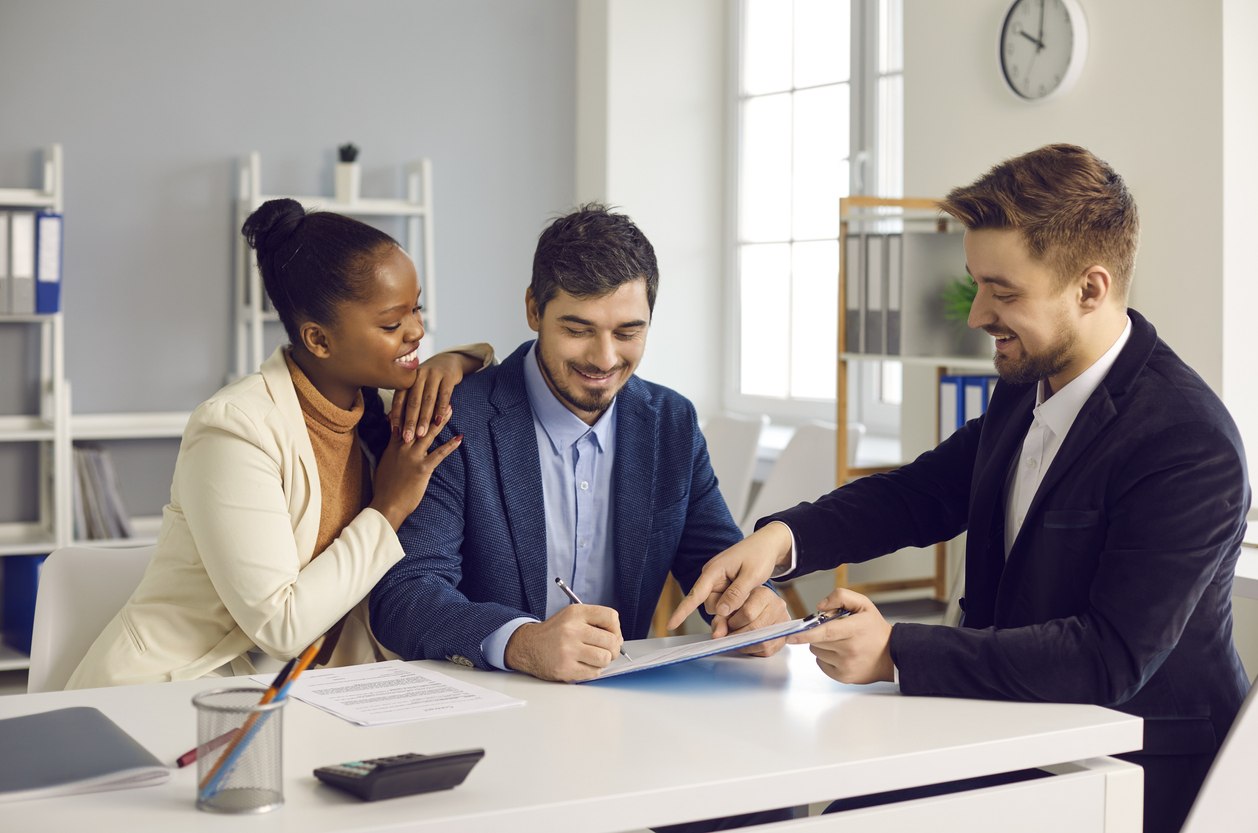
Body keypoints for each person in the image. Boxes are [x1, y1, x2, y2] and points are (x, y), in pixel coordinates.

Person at [670, 145, 1251, 833]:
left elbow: (1107, 656)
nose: (976, 315)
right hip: (1007, 728)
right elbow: (920, 494)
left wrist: (893, 650)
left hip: (1132, 771)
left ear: (1090, 289)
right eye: (977, 283)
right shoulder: (1027, 387)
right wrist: (781, 540)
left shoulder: (1188, 442)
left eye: (1003, 291)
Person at [68, 198, 491, 688]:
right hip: (178, 688)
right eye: (392, 324)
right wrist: (389, 507)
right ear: (319, 340)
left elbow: (494, 373)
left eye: (417, 308)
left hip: (316, 688)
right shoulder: (234, 430)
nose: (417, 330)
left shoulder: (375, 408)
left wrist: (456, 360)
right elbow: (280, 626)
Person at [370, 203, 792, 684]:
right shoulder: (452, 417)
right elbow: (405, 595)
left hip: (624, 706)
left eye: (628, 332)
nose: (604, 359)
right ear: (533, 309)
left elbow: (716, 563)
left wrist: (754, 608)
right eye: (577, 330)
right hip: (483, 706)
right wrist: (521, 643)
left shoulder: (670, 423)